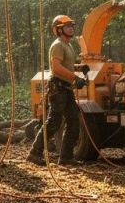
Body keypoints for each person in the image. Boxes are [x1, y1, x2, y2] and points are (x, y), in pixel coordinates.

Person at [26, 14, 89, 166]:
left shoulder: (68, 45)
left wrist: (80, 67)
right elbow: (56, 67)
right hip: (58, 88)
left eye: (72, 26)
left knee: (73, 121)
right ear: (59, 30)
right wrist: (75, 78)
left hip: (66, 89)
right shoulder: (58, 45)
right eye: (68, 26)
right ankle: (34, 152)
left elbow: (66, 65)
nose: (71, 28)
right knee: (54, 121)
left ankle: (66, 157)